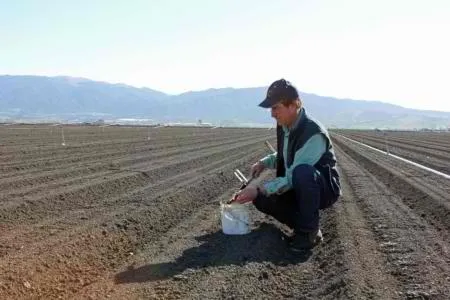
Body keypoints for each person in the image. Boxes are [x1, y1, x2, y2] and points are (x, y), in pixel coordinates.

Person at [234, 79, 341, 251]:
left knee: (302, 172)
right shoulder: (286, 126)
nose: (272, 114)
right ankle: (304, 226)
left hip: (322, 188)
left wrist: (259, 188)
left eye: (276, 108)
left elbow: (293, 176)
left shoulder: (313, 132)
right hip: (299, 181)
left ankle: (308, 233)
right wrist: (264, 163)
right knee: (260, 199)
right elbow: (286, 154)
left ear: (294, 105)